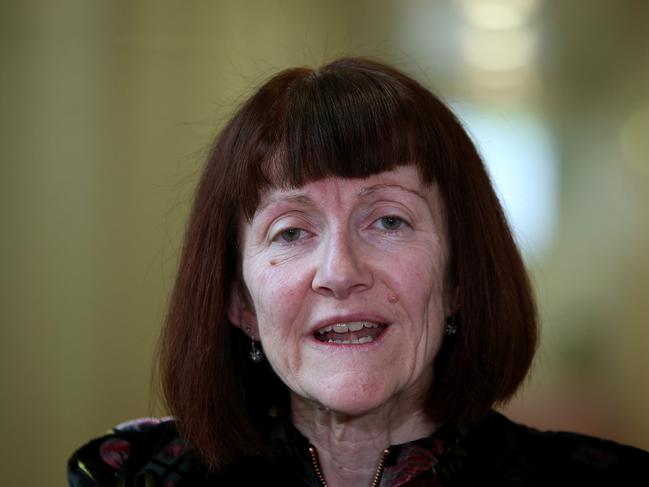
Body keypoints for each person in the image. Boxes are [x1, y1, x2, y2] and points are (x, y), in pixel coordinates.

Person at [68, 58, 648, 486]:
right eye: (291, 232)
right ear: (238, 302)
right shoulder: (127, 475)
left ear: (458, 281)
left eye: (389, 221)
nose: (340, 272)